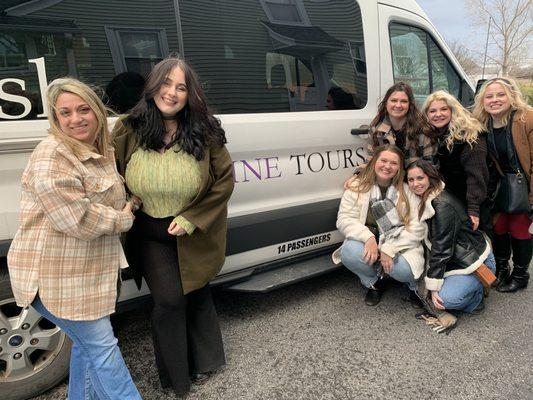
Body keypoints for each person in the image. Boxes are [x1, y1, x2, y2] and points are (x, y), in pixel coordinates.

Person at [6, 78, 141, 399]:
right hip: (57, 280)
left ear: (96, 111)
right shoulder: (52, 156)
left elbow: (105, 193)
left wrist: (133, 198)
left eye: (83, 109)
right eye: (65, 113)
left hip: (85, 276)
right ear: (55, 117)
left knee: (86, 348)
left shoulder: (98, 147)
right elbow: (76, 218)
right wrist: (124, 218)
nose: (75, 119)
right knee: (103, 349)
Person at [113, 57, 234, 397]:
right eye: (166, 84)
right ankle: (176, 378)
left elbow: (223, 182)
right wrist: (128, 200)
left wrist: (192, 219)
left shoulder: (205, 130)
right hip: (149, 231)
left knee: (195, 288)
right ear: (153, 87)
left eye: (181, 87)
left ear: (189, 94)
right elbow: (109, 174)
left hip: (191, 229)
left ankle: (206, 361)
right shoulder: (128, 128)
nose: (172, 93)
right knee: (169, 300)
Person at [333, 144, 427, 306]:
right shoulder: (357, 186)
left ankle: (414, 287)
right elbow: (344, 218)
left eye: (394, 163)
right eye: (383, 160)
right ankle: (375, 282)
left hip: (399, 242)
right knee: (349, 251)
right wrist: (368, 237)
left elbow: (418, 227)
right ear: (374, 161)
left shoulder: (408, 190)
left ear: (399, 168)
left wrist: (389, 248)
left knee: (404, 270)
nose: (387, 166)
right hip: (371, 240)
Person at [406, 160, 495, 314]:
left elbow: (442, 248)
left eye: (420, 178)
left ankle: (477, 296)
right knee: (430, 296)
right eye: (411, 180)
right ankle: (464, 288)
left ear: (430, 177)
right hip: (456, 259)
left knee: (445, 300)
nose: (415, 184)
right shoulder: (427, 198)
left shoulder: (442, 205)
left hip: (474, 262)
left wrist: (433, 287)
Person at [472, 77, 533, 292]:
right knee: (499, 228)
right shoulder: (481, 123)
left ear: (511, 96)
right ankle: (501, 269)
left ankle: (520, 274)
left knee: (520, 229)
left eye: (500, 95)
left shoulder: (527, 118)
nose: (494, 100)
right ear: (482, 101)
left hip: (524, 183)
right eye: (489, 96)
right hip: (499, 185)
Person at [343, 82, 435, 189]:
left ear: (410, 105)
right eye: (394, 100)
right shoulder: (376, 129)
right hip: (389, 182)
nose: (398, 105)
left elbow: (430, 165)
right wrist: (357, 176)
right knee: (353, 187)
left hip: (416, 184)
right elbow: (372, 158)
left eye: (404, 101)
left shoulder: (422, 129)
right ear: (386, 103)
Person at [422, 90, 488, 230]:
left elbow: (476, 176)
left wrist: (473, 210)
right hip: (445, 201)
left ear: (453, 110)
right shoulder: (431, 136)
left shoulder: (470, 137)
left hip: (467, 202)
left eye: (444, 109)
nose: (438, 114)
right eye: (432, 111)